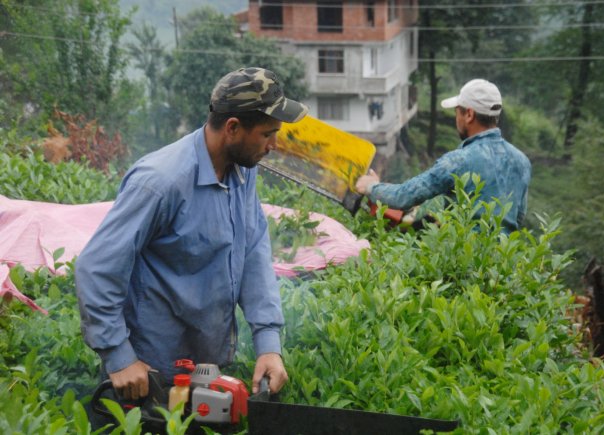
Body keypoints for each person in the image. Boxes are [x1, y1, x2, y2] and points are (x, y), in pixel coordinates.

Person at [75, 67, 308, 402]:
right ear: (232, 128)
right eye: (267, 134)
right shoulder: (161, 182)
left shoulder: (242, 172)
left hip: (205, 370)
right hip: (147, 375)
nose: (274, 145)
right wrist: (118, 356)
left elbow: (253, 249)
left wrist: (268, 343)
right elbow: (96, 268)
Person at [356, 79, 531, 233]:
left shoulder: (458, 161)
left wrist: (372, 187)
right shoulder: (522, 161)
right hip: (504, 263)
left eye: (457, 112)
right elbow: (518, 217)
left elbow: (404, 197)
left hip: (465, 262)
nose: (457, 119)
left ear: (469, 114)